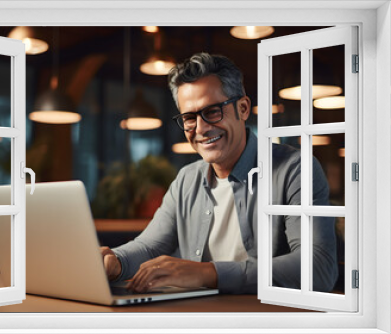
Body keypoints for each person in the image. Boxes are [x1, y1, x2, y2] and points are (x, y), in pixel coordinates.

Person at [101, 52, 338, 294]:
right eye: (189, 117)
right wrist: (115, 262)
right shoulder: (187, 179)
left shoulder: (294, 169)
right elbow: (150, 246)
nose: (201, 129)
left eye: (213, 111)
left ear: (243, 108)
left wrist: (206, 273)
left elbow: (318, 267)